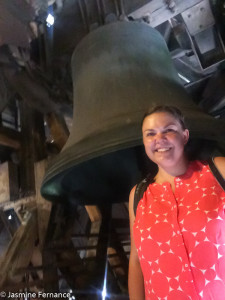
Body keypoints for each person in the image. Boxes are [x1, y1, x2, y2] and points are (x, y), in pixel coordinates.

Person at [128, 105, 225, 300]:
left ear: (185, 135)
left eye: (169, 130)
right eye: (150, 134)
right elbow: (136, 262)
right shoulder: (138, 196)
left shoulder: (219, 171)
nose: (159, 139)